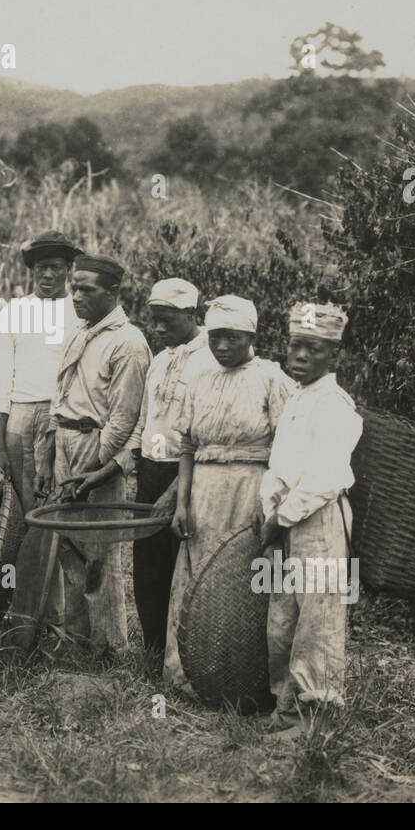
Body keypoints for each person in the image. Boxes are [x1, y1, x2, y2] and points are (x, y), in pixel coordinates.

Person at [164, 295, 294, 689]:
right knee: (199, 578)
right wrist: (182, 503)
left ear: (251, 336)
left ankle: (245, 678)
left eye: (232, 338)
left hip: (251, 488)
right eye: (215, 337)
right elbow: (187, 447)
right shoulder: (199, 380)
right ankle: (190, 674)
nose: (222, 346)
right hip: (205, 491)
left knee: (245, 580)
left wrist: (267, 501)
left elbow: (286, 448)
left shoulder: (272, 379)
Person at [259, 302, 362, 734]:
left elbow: (327, 476)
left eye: (313, 349)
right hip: (287, 520)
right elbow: (279, 464)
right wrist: (271, 504)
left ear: (333, 356)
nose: (300, 356)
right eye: (295, 346)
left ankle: (314, 710)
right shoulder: (297, 400)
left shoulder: (336, 405)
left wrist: (283, 515)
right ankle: (285, 703)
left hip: (318, 522)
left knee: (317, 621)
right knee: (282, 618)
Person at [38, 255, 150, 651]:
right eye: (74, 287)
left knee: (101, 551)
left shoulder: (129, 343)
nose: (77, 296)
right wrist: (49, 452)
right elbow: (61, 391)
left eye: (88, 289)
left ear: (113, 293)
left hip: (96, 445)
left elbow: (124, 419)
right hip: (67, 440)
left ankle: (109, 647)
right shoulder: (81, 333)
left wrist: (94, 467)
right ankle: (77, 641)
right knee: (68, 545)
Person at [113, 278, 218, 663]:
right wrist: (133, 463)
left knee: (183, 568)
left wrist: (177, 491)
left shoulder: (211, 358)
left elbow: (202, 435)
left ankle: (186, 657)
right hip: (152, 470)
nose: (158, 330)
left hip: (187, 473)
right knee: (148, 568)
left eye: (166, 321)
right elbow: (145, 419)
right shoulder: (159, 361)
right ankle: (154, 652)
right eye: (153, 321)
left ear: (191, 315)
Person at [0, 231, 82, 638]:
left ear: (68, 272)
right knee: (27, 519)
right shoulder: (14, 312)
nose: (49, 276)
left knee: (59, 514)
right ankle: (26, 617)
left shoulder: (78, 312)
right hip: (19, 417)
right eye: (42, 268)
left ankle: (62, 621)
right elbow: (1, 379)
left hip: (62, 416)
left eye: (57, 269)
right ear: (31, 271)